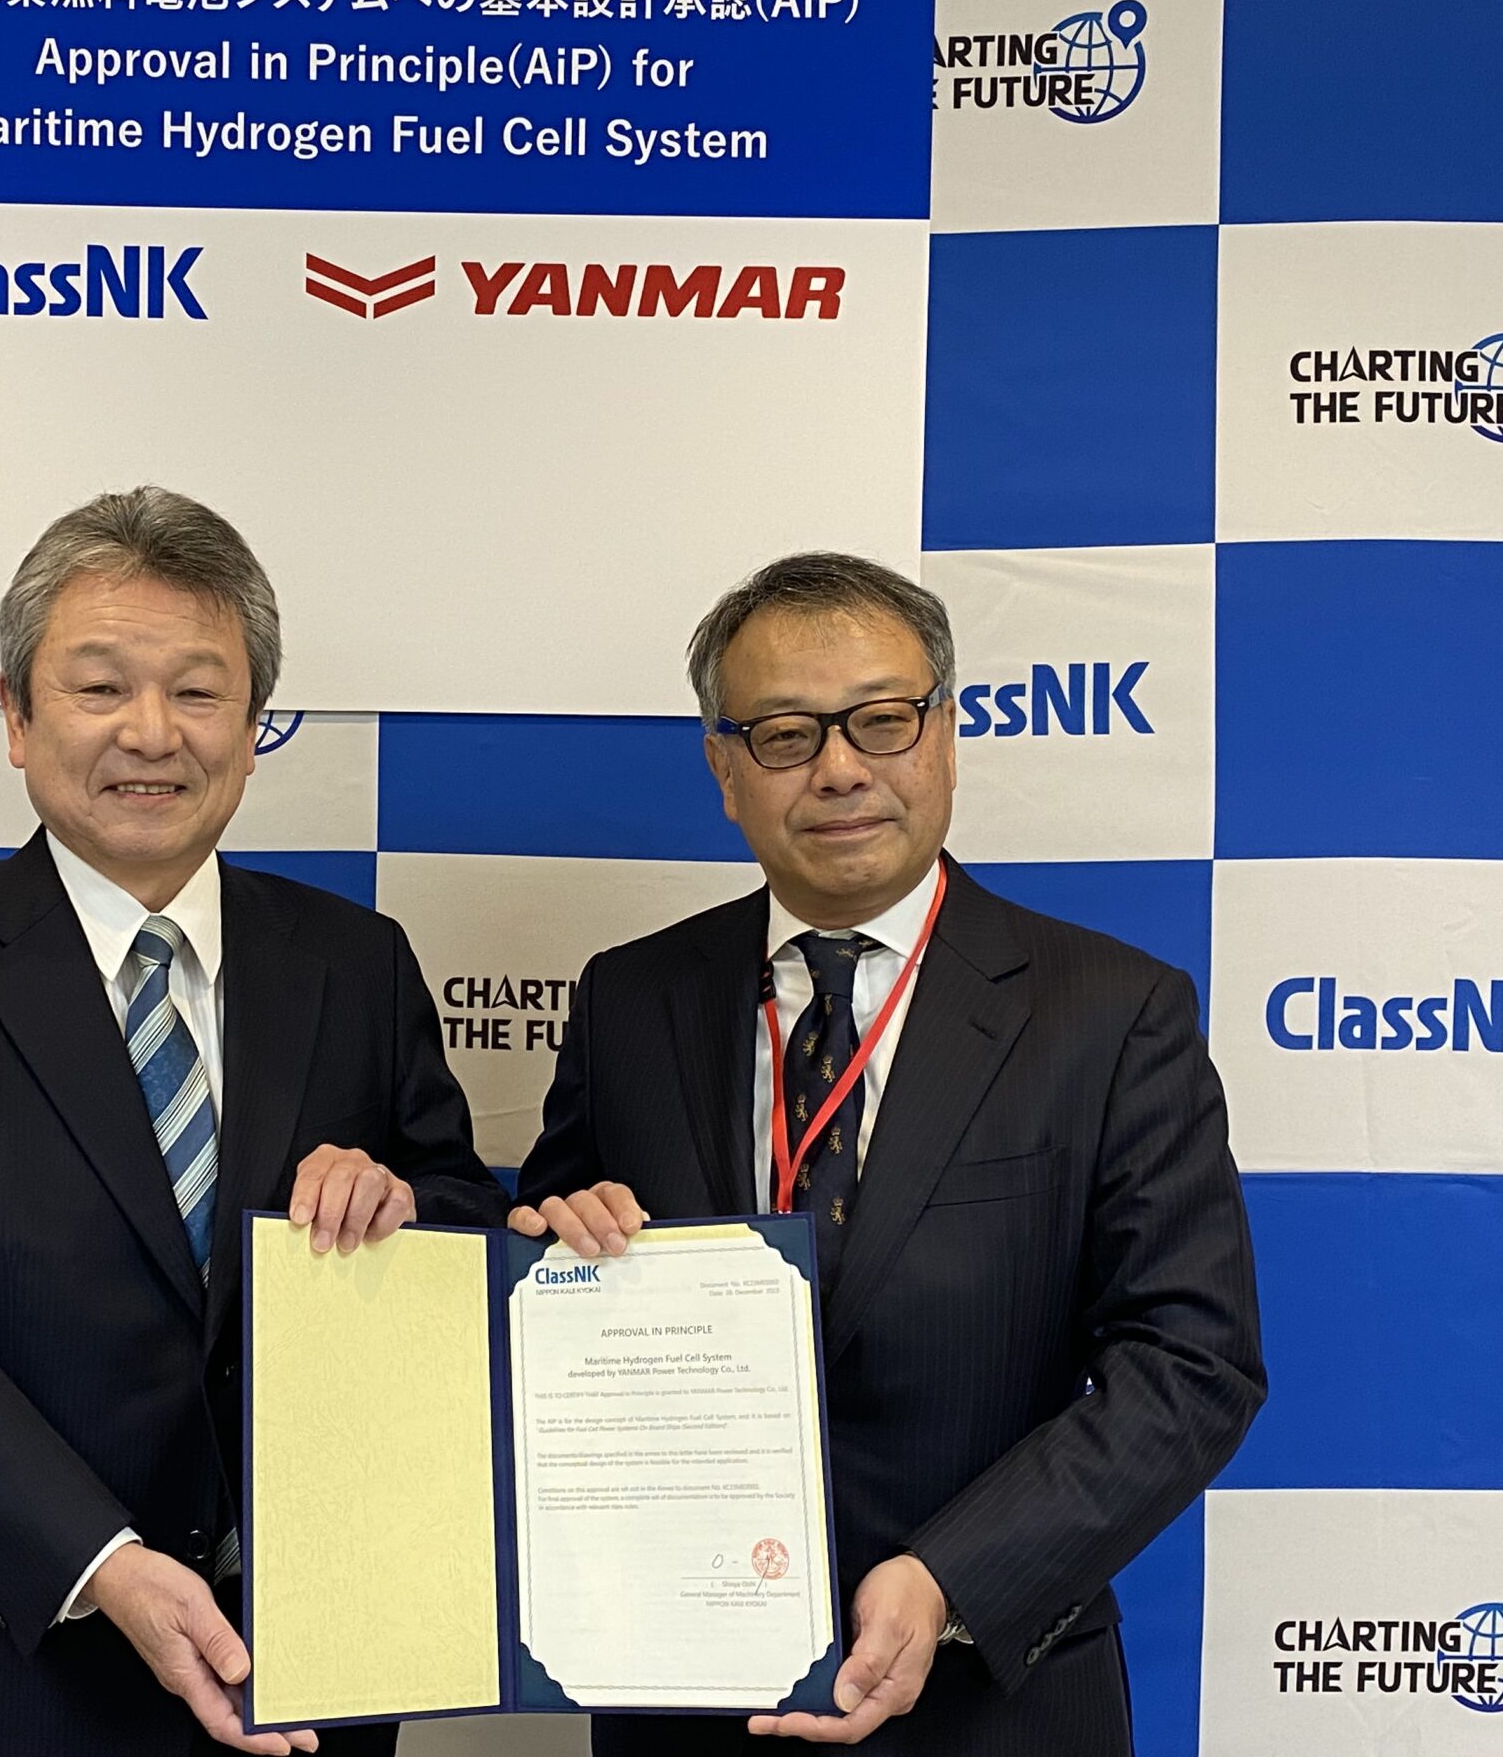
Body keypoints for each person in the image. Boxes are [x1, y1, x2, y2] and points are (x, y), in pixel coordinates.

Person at [0, 487, 507, 1757]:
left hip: (302, 1674)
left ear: (254, 724)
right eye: (100, 687)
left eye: (197, 690)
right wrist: (105, 1564)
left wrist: (404, 1208)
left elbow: (462, 1228)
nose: (151, 732)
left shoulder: (356, 963)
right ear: (17, 716)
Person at [514, 552, 1265, 1754]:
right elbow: (545, 1282)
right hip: (684, 1697)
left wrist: (949, 1576)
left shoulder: (1109, 1011)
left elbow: (1192, 1364)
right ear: (723, 770)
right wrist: (550, 1250)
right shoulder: (629, 1000)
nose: (840, 768)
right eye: (784, 734)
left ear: (946, 736)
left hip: (991, 1700)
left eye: (881, 720)